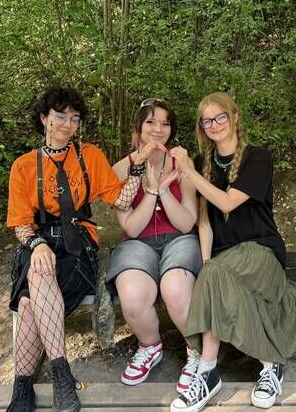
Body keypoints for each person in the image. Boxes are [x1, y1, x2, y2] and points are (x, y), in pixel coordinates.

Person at [5, 86, 147, 412]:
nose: (68, 124)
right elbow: (20, 224)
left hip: (77, 247)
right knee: (36, 277)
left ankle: (23, 390)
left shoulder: (89, 156)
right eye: (60, 116)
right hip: (37, 244)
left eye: (74, 118)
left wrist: (138, 171)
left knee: (29, 298)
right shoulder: (23, 166)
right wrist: (38, 244)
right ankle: (61, 377)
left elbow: (120, 199)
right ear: (44, 118)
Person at [168, 92, 296, 412]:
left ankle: (222, 370)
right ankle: (236, 369)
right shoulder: (203, 164)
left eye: (220, 117)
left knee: (215, 274)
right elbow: (204, 220)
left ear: (234, 118)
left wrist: (190, 172)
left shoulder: (258, 158)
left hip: (261, 250)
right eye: (207, 121)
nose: (214, 124)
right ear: (202, 127)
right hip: (225, 256)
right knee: (212, 272)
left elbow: (228, 202)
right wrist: (206, 260)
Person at [106, 98, 202, 391]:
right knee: (132, 294)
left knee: (176, 288)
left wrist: (165, 191)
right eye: (150, 122)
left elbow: (187, 222)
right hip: (138, 243)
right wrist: (150, 191)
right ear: (139, 126)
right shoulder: (121, 169)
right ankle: (150, 346)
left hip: (180, 239)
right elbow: (132, 228)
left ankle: (196, 351)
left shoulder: (181, 163)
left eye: (165, 123)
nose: (158, 129)